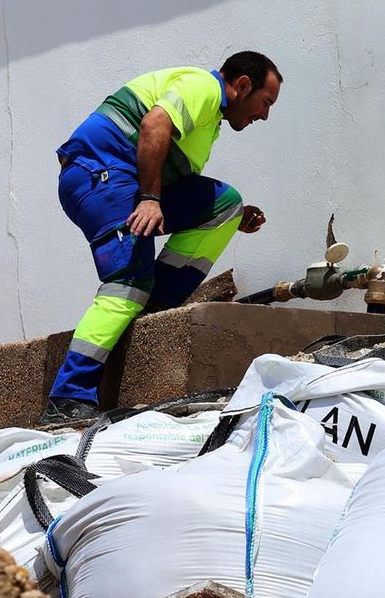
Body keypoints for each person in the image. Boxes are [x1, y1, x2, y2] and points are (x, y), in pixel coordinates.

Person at [41, 51, 280, 424]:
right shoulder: (202, 86)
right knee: (127, 281)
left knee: (226, 205)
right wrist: (150, 199)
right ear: (243, 85)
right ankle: (67, 398)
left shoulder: (209, 117)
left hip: (120, 179)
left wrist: (234, 218)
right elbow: (155, 125)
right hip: (100, 175)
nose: (264, 115)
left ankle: (152, 310)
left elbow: (175, 176)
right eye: (265, 103)